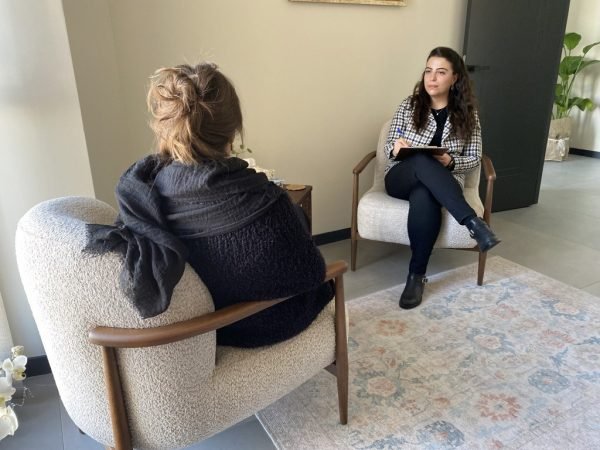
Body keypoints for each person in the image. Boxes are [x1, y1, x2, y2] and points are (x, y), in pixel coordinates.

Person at [85, 62, 333, 347]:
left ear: (167, 125)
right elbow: (311, 273)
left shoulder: (145, 194)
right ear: (233, 131)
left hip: (199, 334)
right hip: (265, 326)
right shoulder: (268, 203)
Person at [384, 47, 500, 310]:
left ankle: (416, 276)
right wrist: (396, 147)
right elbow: (389, 145)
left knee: (424, 195)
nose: (432, 78)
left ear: (455, 78)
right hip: (401, 176)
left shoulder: (468, 113)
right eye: (428, 71)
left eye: (440, 72)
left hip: (441, 182)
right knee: (421, 159)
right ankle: (472, 222)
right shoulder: (409, 105)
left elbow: (474, 157)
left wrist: (452, 162)